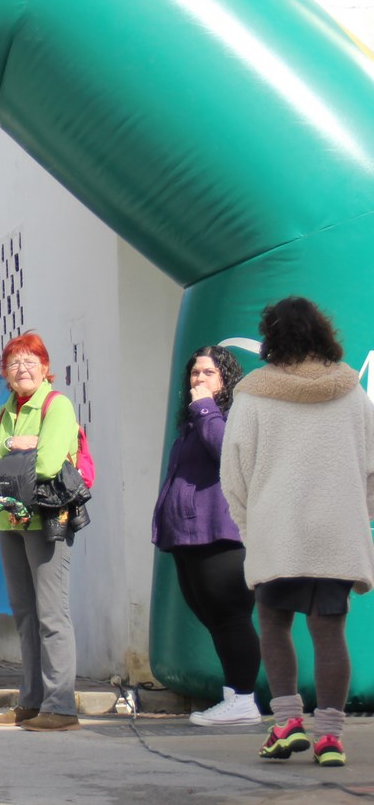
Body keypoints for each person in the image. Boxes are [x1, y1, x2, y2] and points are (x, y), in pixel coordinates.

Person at [221, 297, 374, 768]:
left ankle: (287, 724)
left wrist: (249, 527)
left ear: (270, 338)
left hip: (277, 527)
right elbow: (372, 469)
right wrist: (360, 516)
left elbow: (234, 472)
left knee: (273, 624)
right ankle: (330, 737)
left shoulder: (253, 394)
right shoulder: (352, 392)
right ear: (323, 333)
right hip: (337, 530)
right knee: (330, 633)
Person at [0, 332, 81, 732]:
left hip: (46, 519)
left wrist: (1, 457)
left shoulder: (56, 405)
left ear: (45, 367)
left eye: (30, 361)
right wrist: (11, 446)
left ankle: (61, 706)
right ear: (5, 374)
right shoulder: (2, 415)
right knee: (25, 615)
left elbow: (49, 464)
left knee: (52, 615)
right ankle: (31, 701)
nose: (22, 369)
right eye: (14, 363)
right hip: (8, 520)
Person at [151, 345, 262, 727]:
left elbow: (228, 453)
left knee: (231, 616)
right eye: (195, 373)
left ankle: (243, 699)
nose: (198, 379)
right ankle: (234, 697)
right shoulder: (194, 420)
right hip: (189, 535)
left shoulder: (230, 415)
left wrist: (204, 409)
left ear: (226, 379)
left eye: (208, 373)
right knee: (212, 617)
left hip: (222, 535)